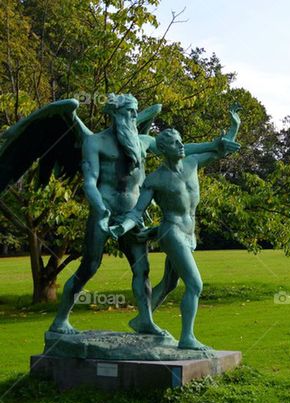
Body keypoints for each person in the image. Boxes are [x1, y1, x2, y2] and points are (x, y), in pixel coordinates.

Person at [49, 94, 239, 335]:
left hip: (133, 213)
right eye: (130, 112)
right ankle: (61, 321)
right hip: (103, 212)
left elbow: (179, 149)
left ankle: (146, 320)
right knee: (89, 266)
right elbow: (90, 182)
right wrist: (101, 210)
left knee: (142, 270)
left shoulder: (142, 142)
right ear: (115, 114)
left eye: (137, 112)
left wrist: (216, 144)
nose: (135, 116)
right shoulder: (95, 142)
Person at [109, 106, 240, 350]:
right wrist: (122, 227)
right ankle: (187, 338)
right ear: (164, 150)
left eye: (181, 142)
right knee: (195, 284)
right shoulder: (155, 179)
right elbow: (137, 211)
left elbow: (221, 150)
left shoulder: (192, 163)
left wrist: (234, 127)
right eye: (176, 143)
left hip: (190, 234)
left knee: (170, 283)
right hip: (172, 233)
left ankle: (142, 319)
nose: (182, 146)